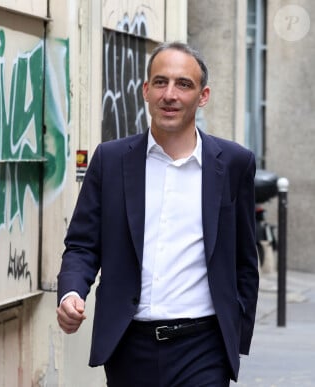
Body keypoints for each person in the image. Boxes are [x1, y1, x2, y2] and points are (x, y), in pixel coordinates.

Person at [56, 41, 259, 386]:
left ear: (203, 95)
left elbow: (244, 258)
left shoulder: (234, 163)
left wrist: (236, 332)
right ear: (146, 90)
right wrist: (72, 292)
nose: (170, 94)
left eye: (184, 84)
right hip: (129, 345)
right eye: (161, 82)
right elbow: (82, 244)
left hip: (204, 346)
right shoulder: (111, 160)